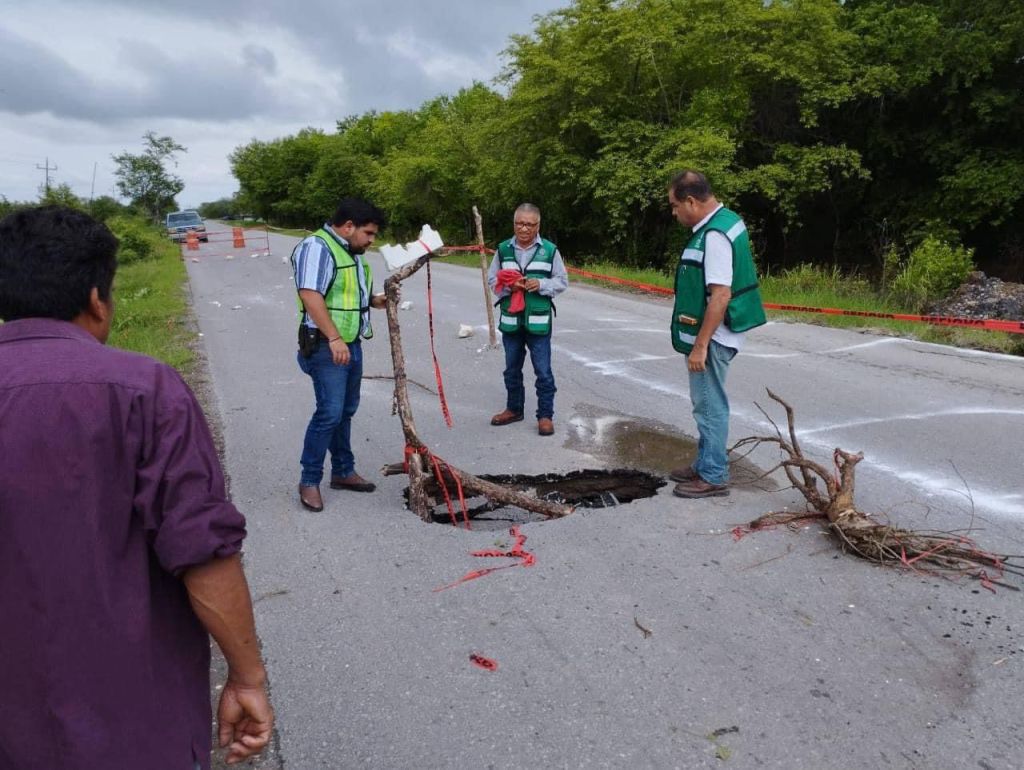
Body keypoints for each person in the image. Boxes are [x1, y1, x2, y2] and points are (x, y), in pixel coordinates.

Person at [0, 206, 273, 769]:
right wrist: (247, 677)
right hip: (130, 720)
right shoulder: (143, 389)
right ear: (97, 299)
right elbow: (202, 549)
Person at [667, 171, 766, 498]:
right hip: (720, 334)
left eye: (675, 205)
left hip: (715, 337)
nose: (674, 212)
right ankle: (705, 461)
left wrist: (700, 345)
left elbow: (720, 295)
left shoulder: (714, 235)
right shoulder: (727, 220)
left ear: (691, 202)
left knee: (709, 405)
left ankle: (712, 474)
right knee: (707, 403)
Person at [291, 197, 389, 511]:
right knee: (329, 413)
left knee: (345, 410)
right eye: (368, 233)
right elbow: (310, 294)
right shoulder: (317, 247)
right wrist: (333, 337)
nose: (371, 240)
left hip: (350, 343)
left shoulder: (351, 251)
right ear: (348, 226)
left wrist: (374, 301)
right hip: (325, 345)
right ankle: (309, 480)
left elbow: (344, 293)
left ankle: (343, 471)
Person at [487, 203, 569, 436]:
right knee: (511, 369)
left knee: (543, 371)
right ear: (514, 224)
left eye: (529, 224)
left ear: (538, 225)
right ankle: (514, 409)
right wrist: (509, 286)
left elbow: (562, 281)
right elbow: (492, 281)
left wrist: (540, 284)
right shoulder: (503, 249)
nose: (524, 228)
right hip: (512, 320)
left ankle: (545, 416)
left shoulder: (550, 251)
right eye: (519, 223)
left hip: (538, 321)